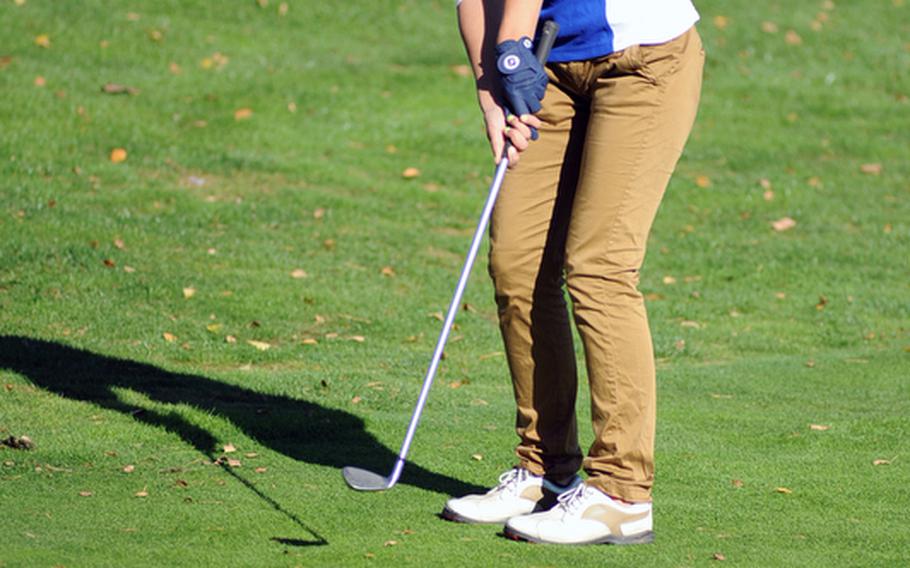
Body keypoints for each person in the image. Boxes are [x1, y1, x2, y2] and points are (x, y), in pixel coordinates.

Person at [442, 0, 705, 545]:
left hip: (644, 59)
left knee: (599, 267)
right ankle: (546, 470)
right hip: (549, 66)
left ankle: (621, 492)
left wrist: (512, 48)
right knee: (516, 264)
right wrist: (491, 88)